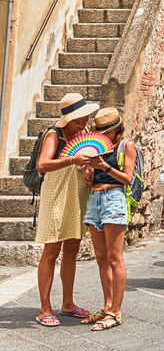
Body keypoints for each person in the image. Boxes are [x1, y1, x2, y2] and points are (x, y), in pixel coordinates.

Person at [33, 93, 100, 326]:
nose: (82, 123)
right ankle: (44, 308)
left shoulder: (83, 134)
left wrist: (88, 170)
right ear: (66, 120)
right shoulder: (54, 134)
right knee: (51, 252)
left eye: (84, 118)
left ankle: (68, 303)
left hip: (77, 194)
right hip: (56, 195)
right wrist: (72, 161)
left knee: (72, 249)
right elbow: (43, 164)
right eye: (77, 120)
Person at [80, 106, 136, 331]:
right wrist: (88, 175)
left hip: (114, 197)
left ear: (117, 129)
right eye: (100, 131)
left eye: (107, 131)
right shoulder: (95, 147)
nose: (103, 135)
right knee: (101, 257)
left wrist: (105, 166)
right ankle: (106, 305)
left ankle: (116, 311)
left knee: (115, 257)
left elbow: (128, 178)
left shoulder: (126, 145)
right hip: (95, 198)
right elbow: (92, 179)